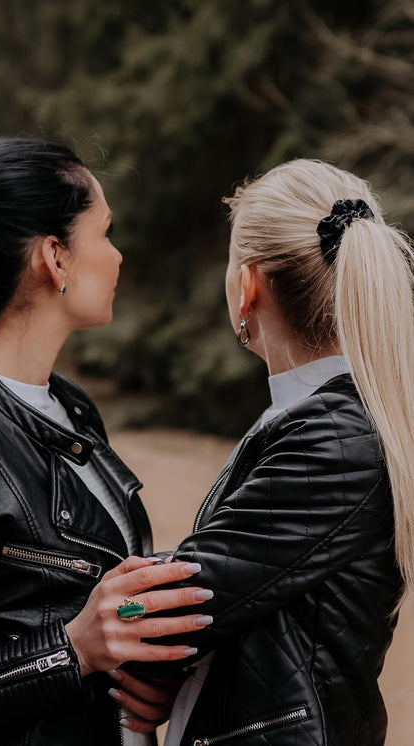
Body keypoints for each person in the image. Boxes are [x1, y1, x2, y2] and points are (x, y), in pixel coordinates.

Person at [0, 137, 214, 746]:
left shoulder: (73, 408)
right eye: (105, 233)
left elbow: (95, 610)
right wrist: (69, 653)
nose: (117, 255)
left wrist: (136, 674)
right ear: (55, 258)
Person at [140, 159, 413, 746]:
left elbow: (181, 597)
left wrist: (103, 628)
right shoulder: (322, 419)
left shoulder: (335, 440)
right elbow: (248, 588)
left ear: (248, 286)